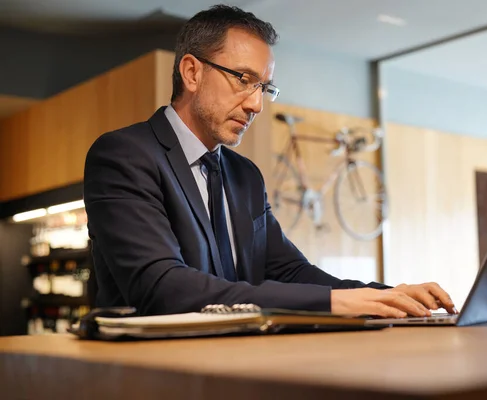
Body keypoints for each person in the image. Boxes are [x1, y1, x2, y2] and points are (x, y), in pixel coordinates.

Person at [83, 4, 457, 318]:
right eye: (244, 79)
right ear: (192, 72)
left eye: (263, 87)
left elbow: (289, 271)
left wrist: (387, 297)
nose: (256, 104)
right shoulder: (123, 156)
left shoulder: (245, 175)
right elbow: (162, 287)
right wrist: (332, 303)